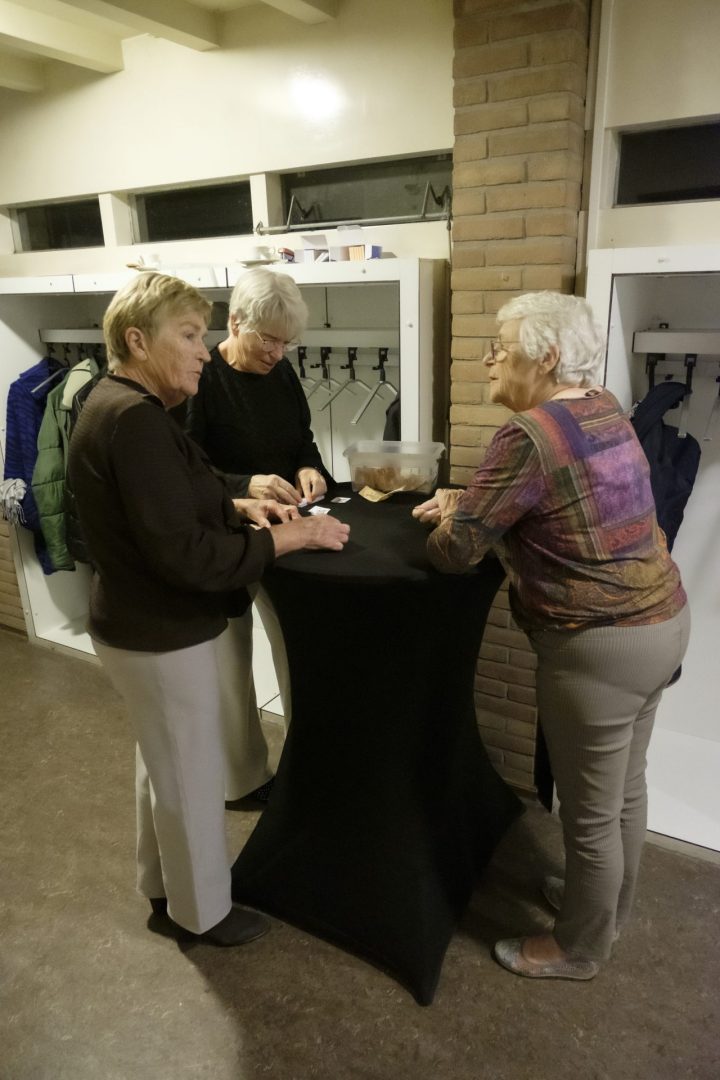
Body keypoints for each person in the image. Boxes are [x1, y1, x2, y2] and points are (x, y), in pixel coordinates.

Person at [412, 291, 690, 980]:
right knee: (623, 790)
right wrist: (472, 502)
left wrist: (452, 517)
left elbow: (457, 552)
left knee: (589, 813)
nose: (488, 361)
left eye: (500, 349)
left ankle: (578, 949)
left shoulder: (528, 435)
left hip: (599, 647)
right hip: (662, 624)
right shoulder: (603, 409)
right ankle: (606, 910)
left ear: (547, 357)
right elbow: (556, 501)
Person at [67, 272, 349, 947]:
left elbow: (170, 500)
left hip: (133, 623)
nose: (203, 349)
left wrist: (235, 503)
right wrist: (289, 537)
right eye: (190, 335)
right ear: (138, 340)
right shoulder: (137, 420)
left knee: (160, 763)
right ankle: (203, 913)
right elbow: (187, 556)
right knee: (191, 777)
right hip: (161, 628)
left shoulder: (114, 401)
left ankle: (158, 884)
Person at [179, 268, 328, 806]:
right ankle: (240, 781)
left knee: (297, 647)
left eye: (286, 342)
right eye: (268, 339)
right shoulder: (200, 380)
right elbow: (186, 472)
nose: (277, 353)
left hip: (281, 534)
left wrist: (310, 468)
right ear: (236, 321)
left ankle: (307, 763)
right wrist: (245, 485)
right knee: (229, 662)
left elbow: (302, 439)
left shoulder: (281, 374)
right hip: (222, 538)